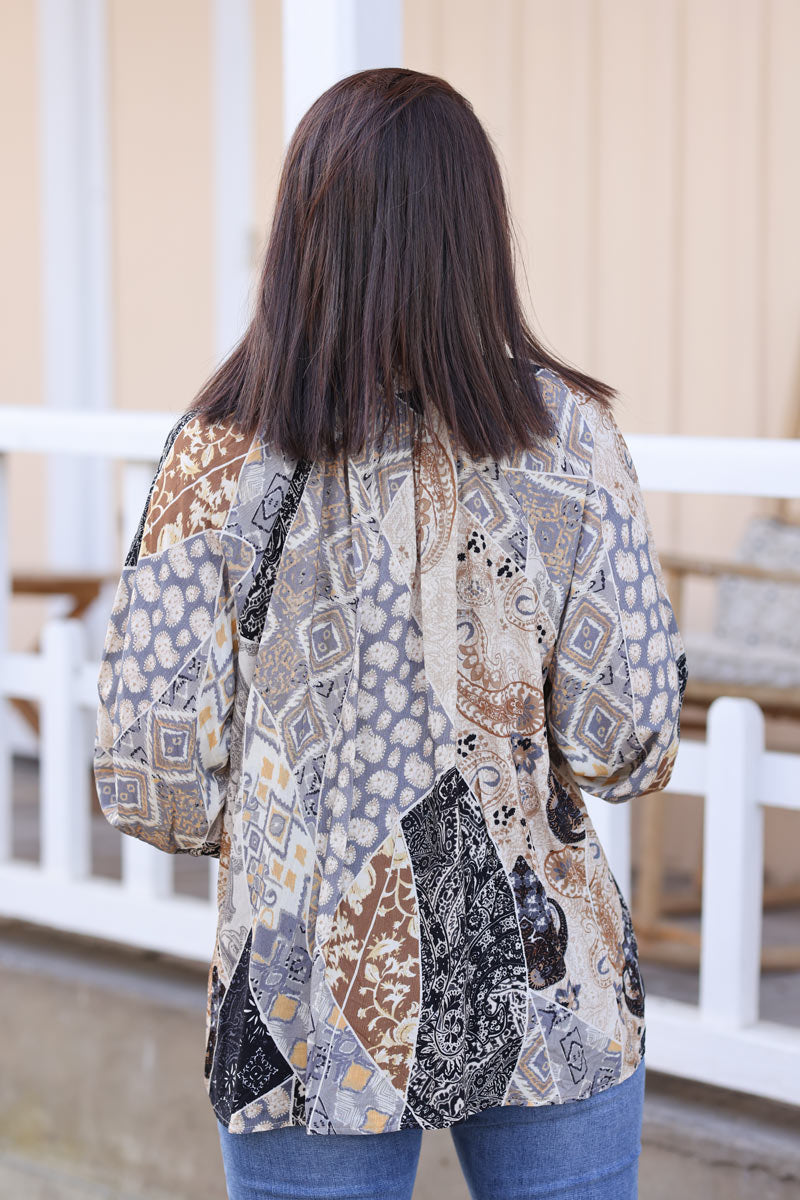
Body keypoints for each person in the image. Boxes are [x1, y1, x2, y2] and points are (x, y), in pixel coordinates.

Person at [93, 66, 686, 1200]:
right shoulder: (563, 440)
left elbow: (148, 778)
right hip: (544, 977)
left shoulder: (214, 454)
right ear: (475, 232)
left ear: (300, 233)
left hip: (300, 994)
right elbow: (625, 740)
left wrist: (286, 814)